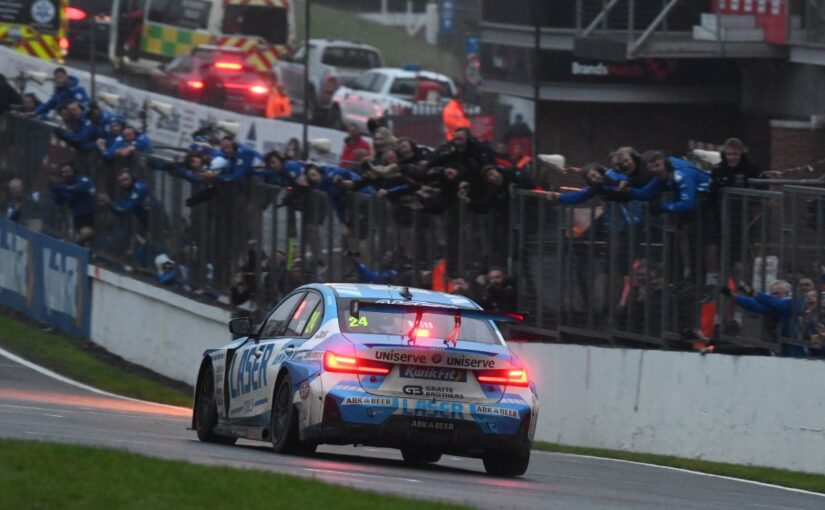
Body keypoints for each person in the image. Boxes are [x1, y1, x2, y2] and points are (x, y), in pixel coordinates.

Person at [721, 280, 807, 357]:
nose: (773, 296)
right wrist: (734, 296)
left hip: (797, 350)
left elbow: (780, 305)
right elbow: (754, 305)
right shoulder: (774, 305)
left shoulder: (795, 302)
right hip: (781, 348)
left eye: (777, 293)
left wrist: (754, 293)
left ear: (787, 293)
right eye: (772, 294)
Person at [628, 151, 710, 214]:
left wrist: (662, 207)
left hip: (710, 203)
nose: (654, 170)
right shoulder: (663, 175)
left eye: (657, 165)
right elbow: (645, 193)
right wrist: (627, 190)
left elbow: (687, 204)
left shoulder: (682, 175)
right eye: (651, 167)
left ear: (666, 164)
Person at [49, 162, 97, 239]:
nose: (66, 174)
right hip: (76, 217)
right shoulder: (64, 186)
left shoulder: (83, 180)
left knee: (86, 234)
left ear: (73, 171)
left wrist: (58, 187)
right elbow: (58, 201)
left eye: (67, 171)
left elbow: (78, 189)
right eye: (63, 172)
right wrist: (57, 190)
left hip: (90, 216)